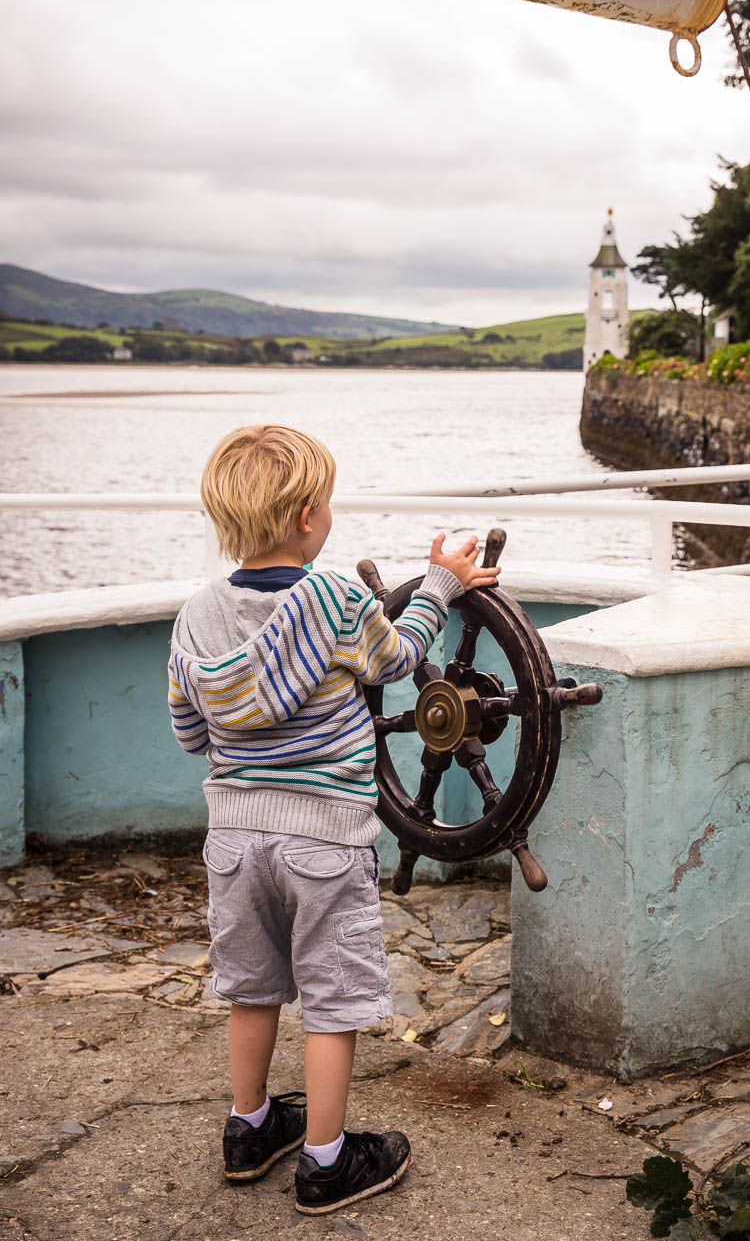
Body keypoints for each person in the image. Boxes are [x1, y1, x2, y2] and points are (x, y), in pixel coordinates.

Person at [167, 423, 499, 1216]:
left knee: (251, 987)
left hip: (235, 838)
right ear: (311, 517)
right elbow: (396, 661)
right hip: (324, 836)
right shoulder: (340, 599)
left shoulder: (195, 616)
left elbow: (190, 735)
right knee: (330, 999)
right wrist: (440, 588)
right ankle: (325, 1161)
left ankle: (249, 1130)